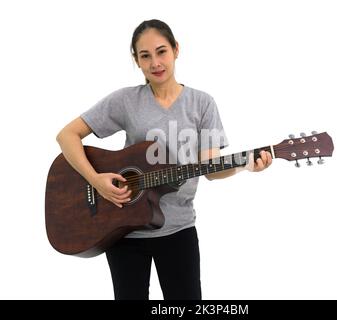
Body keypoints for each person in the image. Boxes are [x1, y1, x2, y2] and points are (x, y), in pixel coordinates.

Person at [56, 19, 272, 300]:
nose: (155, 63)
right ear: (136, 60)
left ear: (176, 50)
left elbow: (210, 169)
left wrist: (245, 165)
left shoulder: (201, 103)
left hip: (179, 229)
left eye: (161, 52)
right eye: (145, 56)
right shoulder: (125, 101)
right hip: (124, 229)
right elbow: (67, 136)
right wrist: (95, 180)